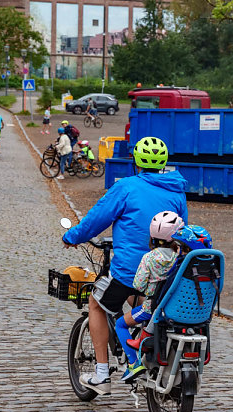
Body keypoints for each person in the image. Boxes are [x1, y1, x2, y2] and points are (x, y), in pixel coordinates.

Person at [62, 136, 188, 395]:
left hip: (130, 268)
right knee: (143, 299)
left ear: (135, 161)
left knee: (96, 304)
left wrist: (72, 237)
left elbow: (97, 219)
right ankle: (142, 352)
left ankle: (101, 376)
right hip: (166, 271)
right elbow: (180, 229)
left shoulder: (127, 187)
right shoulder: (177, 191)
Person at [115, 211, 184, 382]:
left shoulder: (149, 258)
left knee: (120, 324)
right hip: (174, 308)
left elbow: (138, 285)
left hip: (151, 309)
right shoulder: (180, 257)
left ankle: (134, 363)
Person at [126, 224, 213, 352]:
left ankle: (141, 348)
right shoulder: (211, 268)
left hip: (172, 311)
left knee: (126, 321)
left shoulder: (179, 266)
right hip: (202, 315)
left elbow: (164, 290)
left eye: (182, 248)